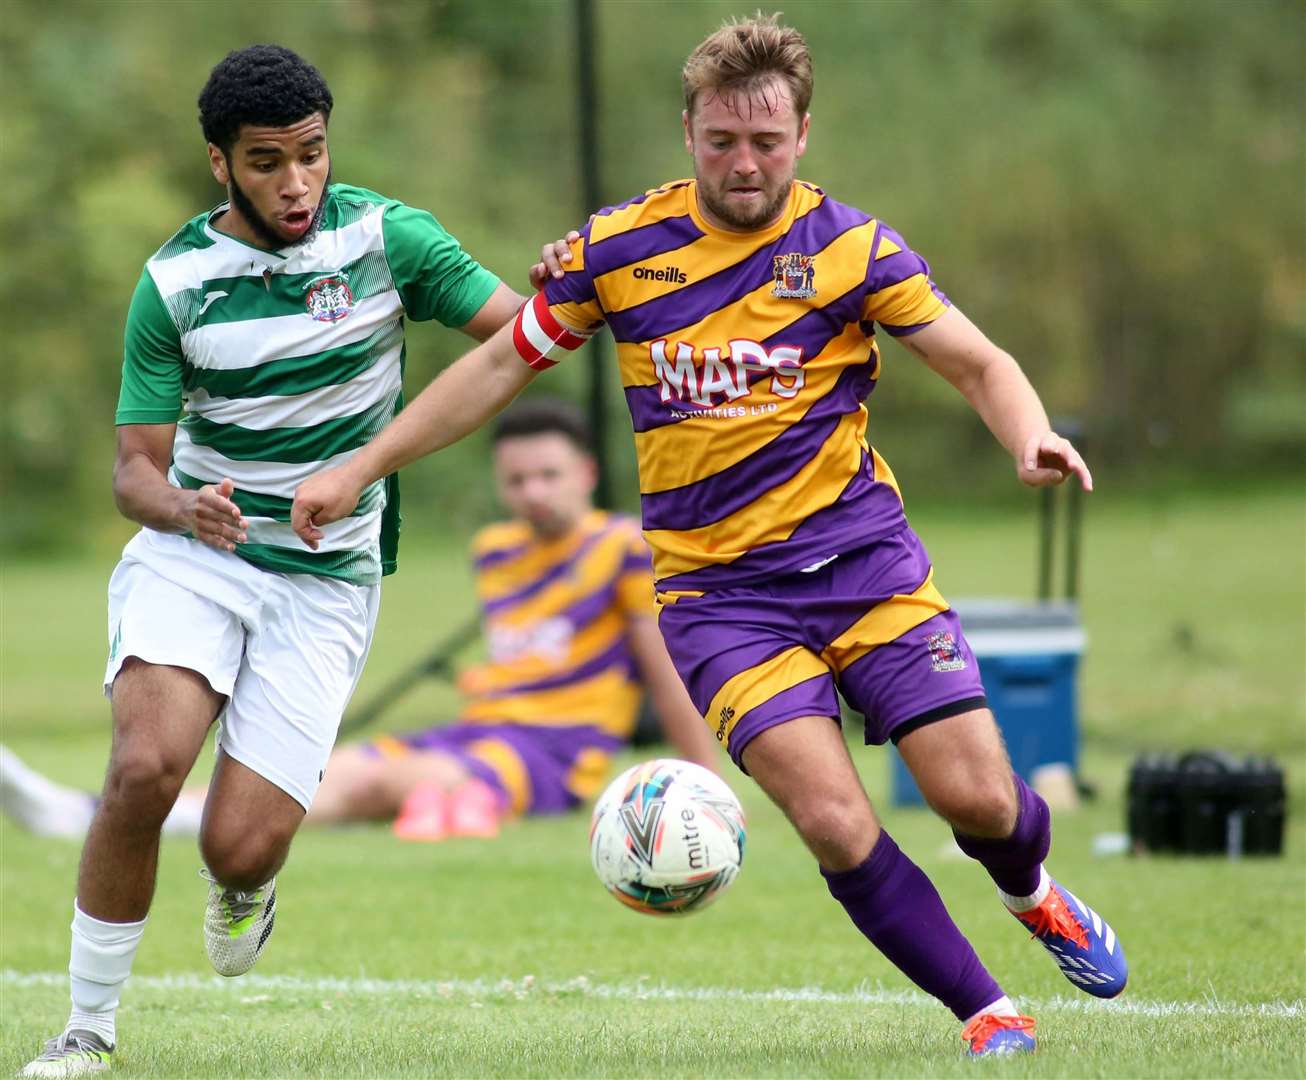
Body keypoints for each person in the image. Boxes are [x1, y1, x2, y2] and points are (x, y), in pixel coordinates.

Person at [291, 13, 1129, 1059]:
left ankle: (1032, 890)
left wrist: (1029, 432)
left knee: (980, 797)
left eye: (766, 142)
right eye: (722, 139)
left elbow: (979, 363)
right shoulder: (617, 249)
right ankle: (987, 1013)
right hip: (717, 599)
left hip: (864, 567)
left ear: (802, 135)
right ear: (687, 131)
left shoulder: (852, 249)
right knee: (829, 819)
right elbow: (501, 364)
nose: (744, 162)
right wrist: (361, 464)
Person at [17, 44, 577, 1079]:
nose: (295, 182)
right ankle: (87, 1030)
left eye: (311, 155)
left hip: (324, 579)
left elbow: (518, 341)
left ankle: (243, 882)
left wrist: (552, 293)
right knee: (141, 769)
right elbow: (132, 473)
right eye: (267, 162)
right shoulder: (175, 283)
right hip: (199, 553)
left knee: (238, 845)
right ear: (220, 165)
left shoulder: (385, 238)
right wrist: (185, 508)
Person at [2, 400, 716, 845]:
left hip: (550, 757)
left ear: (588, 472)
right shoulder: (496, 550)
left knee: (383, 786)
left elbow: (667, 666)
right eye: (517, 479)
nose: (532, 492)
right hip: (477, 731)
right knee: (317, 775)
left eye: (549, 476)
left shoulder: (622, 548)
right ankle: (91, 813)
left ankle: (88, 819)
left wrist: (701, 784)